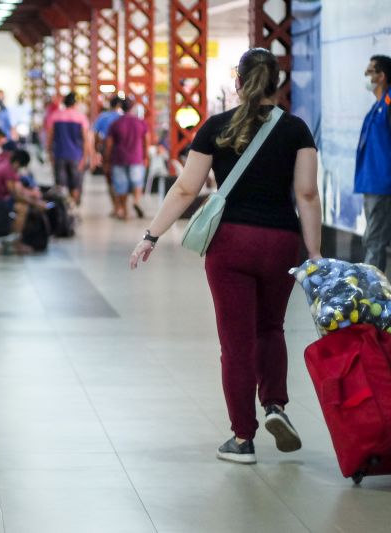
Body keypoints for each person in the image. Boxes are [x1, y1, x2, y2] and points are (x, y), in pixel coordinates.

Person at [129, 48, 321, 465]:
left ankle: (242, 438)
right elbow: (306, 195)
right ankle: (275, 406)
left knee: (235, 343)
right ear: (278, 83)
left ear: (238, 82)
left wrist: (151, 235)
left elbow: (184, 189)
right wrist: (316, 253)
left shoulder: (216, 126)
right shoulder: (296, 130)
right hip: (280, 241)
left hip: (231, 243)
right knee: (271, 328)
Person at [354, 55, 391, 272]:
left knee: (375, 242)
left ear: (381, 76)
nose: (366, 75)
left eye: (370, 71)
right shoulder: (378, 106)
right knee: (371, 239)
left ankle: (370, 294)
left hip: (385, 184)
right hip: (373, 184)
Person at [0, 149, 46, 253]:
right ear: (17, 163)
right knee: (22, 209)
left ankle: (12, 240)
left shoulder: (6, 165)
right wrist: (36, 203)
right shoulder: (8, 169)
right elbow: (16, 195)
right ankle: (14, 243)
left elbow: (18, 189)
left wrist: (31, 194)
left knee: (20, 206)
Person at [104, 98, 149, 220]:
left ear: (121, 108)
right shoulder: (140, 122)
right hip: (136, 157)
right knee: (137, 182)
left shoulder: (116, 123)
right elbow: (146, 141)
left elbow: (109, 144)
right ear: (132, 108)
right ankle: (136, 201)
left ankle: (124, 211)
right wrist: (145, 157)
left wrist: (107, 161)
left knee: (121, 186)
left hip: (119, 158)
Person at [47, 92, 92, 205]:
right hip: (76, 156)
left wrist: (50, 155)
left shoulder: (55, 115)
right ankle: (74, 208)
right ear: (75, 104)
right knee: (76, 185)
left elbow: (50, 138)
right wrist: (85, 158)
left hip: (59, 155)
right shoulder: (81, 117)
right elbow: (86, 140)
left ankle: (64, 209)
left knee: (61, 186)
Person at [93, 95, 123, 214]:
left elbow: (95, 134)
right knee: (121, 179)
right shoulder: (122, 117)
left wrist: (96, 149)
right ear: (119, 105)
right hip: (121, 150)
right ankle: (122, 205)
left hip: (107, 150)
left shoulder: (103, 117)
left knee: (109, 178)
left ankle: (116, 207)